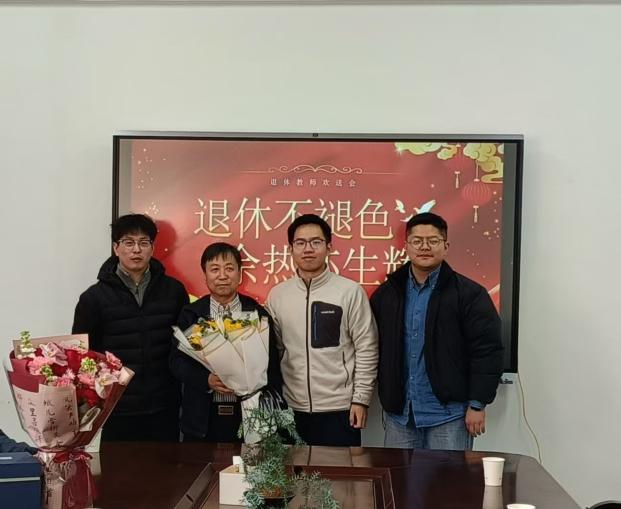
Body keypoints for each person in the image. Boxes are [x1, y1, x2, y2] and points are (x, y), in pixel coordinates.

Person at [370, 212, 503, 450]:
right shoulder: (388, 293)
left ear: (446, 246)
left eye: (433, 241)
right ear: (406, 246)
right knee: (398, 476)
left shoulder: (470, 294)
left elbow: (487, 351)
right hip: (401, 415)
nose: (424, 247)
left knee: (449, 476)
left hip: (449, 415)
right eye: (417, 241)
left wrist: (477, 404)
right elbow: (371, 346)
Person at [72, 214, 188, 441]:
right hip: (117, 408)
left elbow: (185, 347)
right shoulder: (93, 298)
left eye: (144, 242)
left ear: (152, 248)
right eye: (128, 242)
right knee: (118, 464)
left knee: (166, 465)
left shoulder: (174, 291)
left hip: (165, 406)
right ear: (116, 248)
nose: (136, 250)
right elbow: (84, 355)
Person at [265, 214, 378, 447]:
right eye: (300, 243)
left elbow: (367, 348)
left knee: (338, 470)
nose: (308, 249)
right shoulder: (278, 295)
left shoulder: (349, 292)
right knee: (292, 471)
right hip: (290, 408)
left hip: (340, 409)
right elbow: (274, 352)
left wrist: (361, 400)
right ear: (291, 249)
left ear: (329, 247)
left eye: (316, 242)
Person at [170, 242, 282, 443]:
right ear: (205, 276)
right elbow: (177, 362)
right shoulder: (192, 314)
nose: (222, 276)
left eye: (229, 269)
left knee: (247, 463)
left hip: (249, 415)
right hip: (202, 418)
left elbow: (272, 365)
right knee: (199, 464)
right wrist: (206, 379)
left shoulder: (256, 313)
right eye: (214, 269)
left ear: (240, 274)